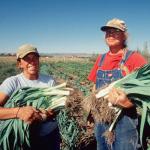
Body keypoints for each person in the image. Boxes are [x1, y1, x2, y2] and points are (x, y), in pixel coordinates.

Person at [88, 18, 147, 150]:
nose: (110, 34)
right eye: (108, 31)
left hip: (124, 120)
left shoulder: (135, 58)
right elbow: (94, 86)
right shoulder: (100, 59)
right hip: (101, 119)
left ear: (124, 35)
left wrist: (127, 102)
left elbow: (146, 89)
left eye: (115, 31)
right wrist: (92, 109)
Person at [0, 44, 61, 150]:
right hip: (25, 139)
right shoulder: (12, 83)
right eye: (27, 59)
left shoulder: (49, 81)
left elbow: (55, 108)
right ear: (19, 64)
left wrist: (45, 115)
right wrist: (19, 112)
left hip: (50, 136)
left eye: (35, 58)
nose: (32, 62)